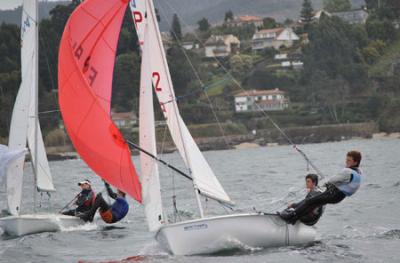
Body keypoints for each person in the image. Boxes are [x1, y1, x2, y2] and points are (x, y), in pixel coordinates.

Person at [279, 150, 362, 224]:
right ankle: (294, 218)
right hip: (339, 197)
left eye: (349, 160)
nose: (346, 162)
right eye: (346, 160)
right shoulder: (358, 173)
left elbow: (333, 180)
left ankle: (291, 216)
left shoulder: (348, 171)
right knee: (314, 202)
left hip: (333, 194)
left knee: (309, 201)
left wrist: (325, 184)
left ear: (355, 162)